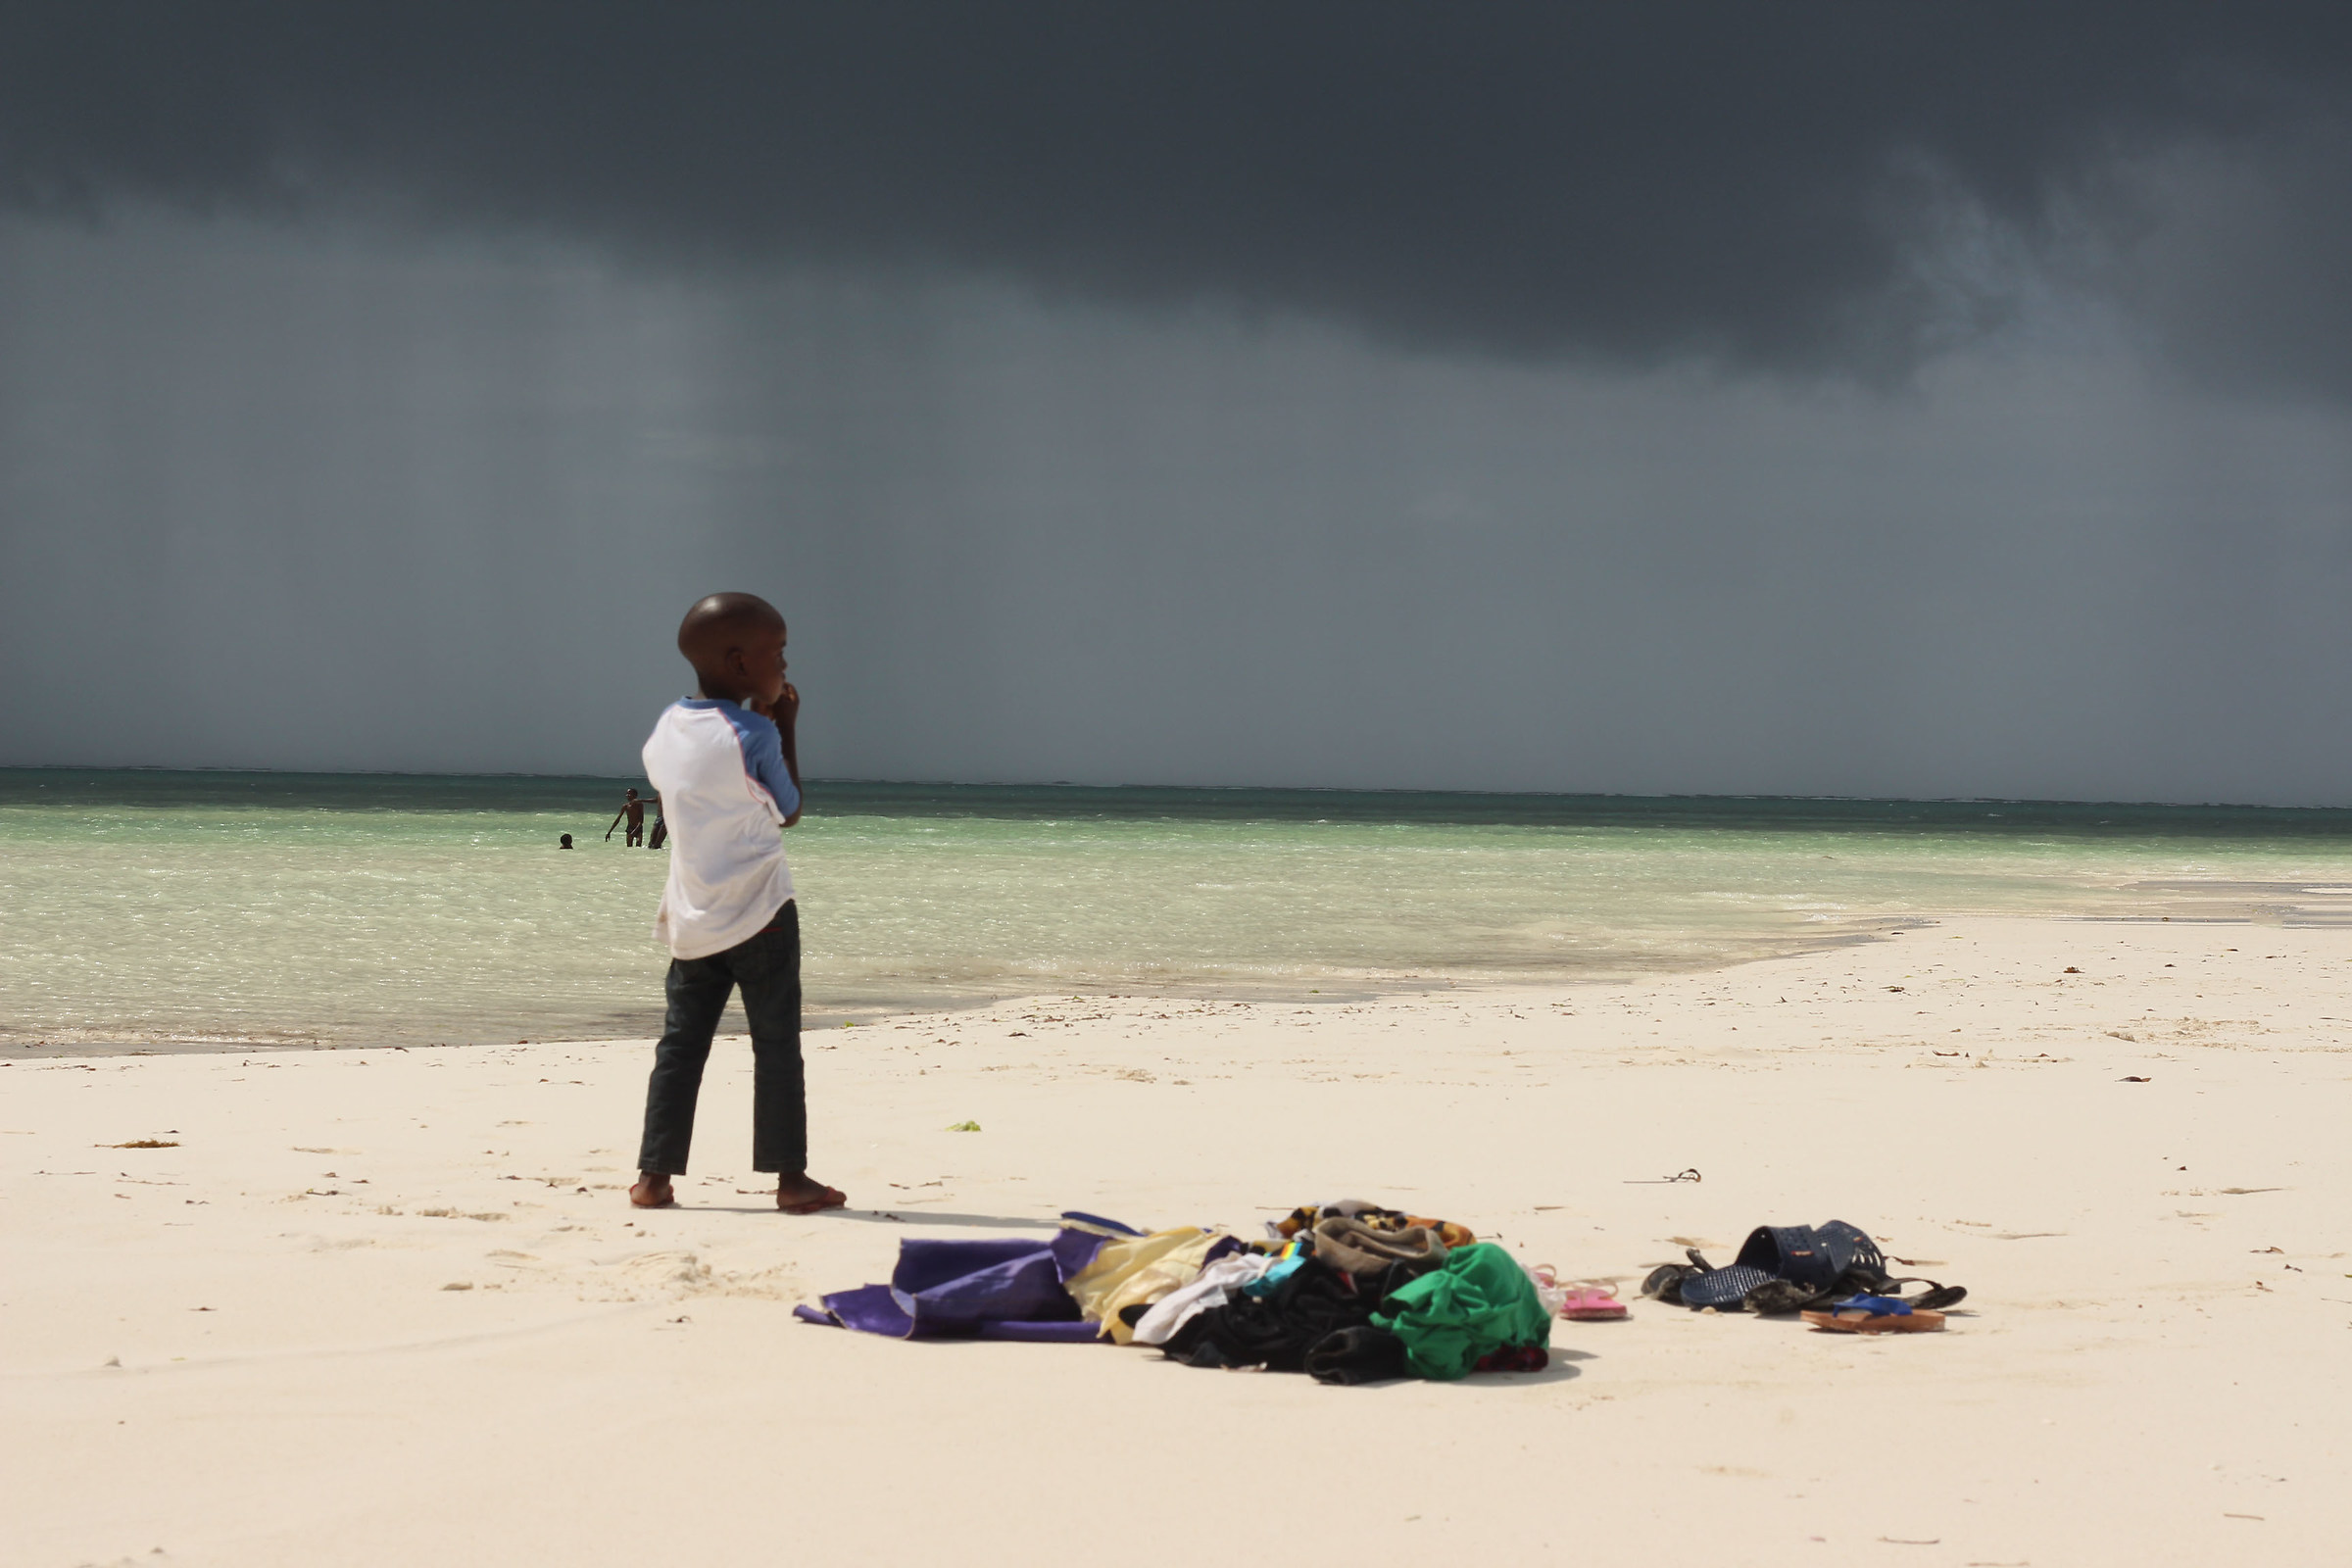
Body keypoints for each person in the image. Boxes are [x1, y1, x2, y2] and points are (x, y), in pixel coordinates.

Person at [628, 592, 843, 1215]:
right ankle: (791, 1181)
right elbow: (788, 810)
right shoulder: (752, 731)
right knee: (775, 1046)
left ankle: (654, 1176)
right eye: (776, 653)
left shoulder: (666, 726)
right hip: (761, 912)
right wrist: (785, 726)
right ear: (740, 663)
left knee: (680, 1047)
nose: (784, 665)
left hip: (693, 916)